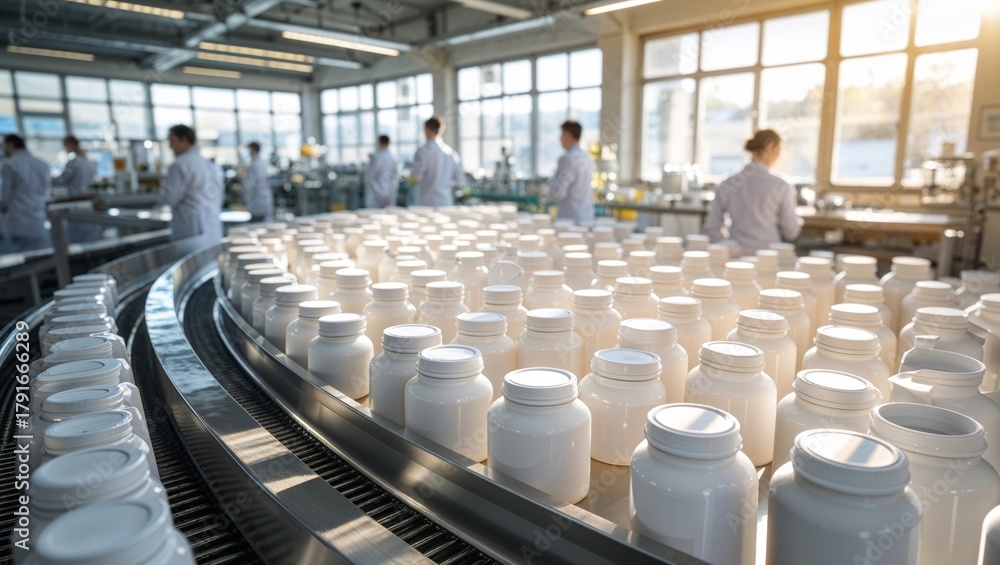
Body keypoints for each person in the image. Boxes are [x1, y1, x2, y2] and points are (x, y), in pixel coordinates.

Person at [704, 129, 802, 256]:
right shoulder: (781, 185)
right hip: (768, 258)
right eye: (779, 150)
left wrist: (728, 249)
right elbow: (791, 232)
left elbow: (712, 229)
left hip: (735, 258)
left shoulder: (726, 184)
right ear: (770, 146)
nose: (780, 156)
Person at [158, 125, 223, 248]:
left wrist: (161, 188)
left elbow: (169, 199)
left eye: (172, 141)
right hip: (213, 231)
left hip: (190, 234)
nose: (170, 146)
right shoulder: (211, 165)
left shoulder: (179, 165)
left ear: (184, 140)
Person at [0, 134, 52, 251]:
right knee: (40, 257)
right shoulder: (42, 164)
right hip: (38, 219)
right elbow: (46, 190)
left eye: (5, 146)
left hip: (17, 221)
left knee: (20, 260)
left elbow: (5, 197)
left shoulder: (9, 165)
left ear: (11, 144)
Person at [549, 120, 595, 225]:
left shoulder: (568, 159)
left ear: (567, 134)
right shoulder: (587, 157)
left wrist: (549, 191)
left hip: (570, 219)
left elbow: (558, 193)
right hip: (587, 216)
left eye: (561, 134)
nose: (559, 138)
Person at [410, 116, 464, 207]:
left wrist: (411, 170)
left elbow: (415, 178)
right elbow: (459, 179)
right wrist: (443, 183)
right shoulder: (451, 152)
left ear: (426, 129)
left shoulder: (423, 151)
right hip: (445, 203)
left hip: (427, 203)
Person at [364, 135, 398, 208]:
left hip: (377, 197)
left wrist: (380, 195)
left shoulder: (377, 157)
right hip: (389, 196)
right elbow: (394, 178)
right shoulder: (392, 158)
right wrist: (388, 194)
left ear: (379, 142)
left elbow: (370, 178)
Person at [242, 142, 272, 222]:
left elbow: (249, 184)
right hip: (262, 199)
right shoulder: (262, 163)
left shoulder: (255, 165)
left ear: (253, 149)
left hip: (257, 201)